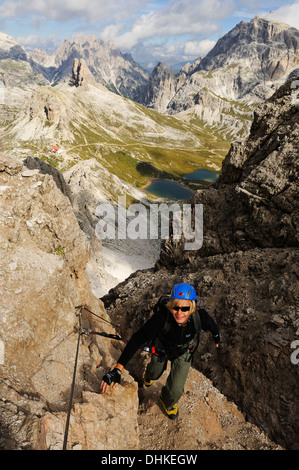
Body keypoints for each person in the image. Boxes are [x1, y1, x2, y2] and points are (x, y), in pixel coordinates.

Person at [100, 283, 220, 420]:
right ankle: (149, 376)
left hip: (183, 352)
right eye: (175, 307)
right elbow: (137, 339)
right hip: (162, 348)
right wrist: (118, 369)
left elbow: (212, 326)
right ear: (171, 305)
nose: (179, 312)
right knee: (154, 373)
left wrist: (217, 337)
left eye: (185, 308)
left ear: (192, 307)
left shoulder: (200, 318)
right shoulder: (162, 318)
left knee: (175, 390)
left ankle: (167, 401)